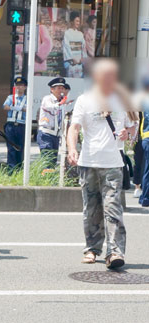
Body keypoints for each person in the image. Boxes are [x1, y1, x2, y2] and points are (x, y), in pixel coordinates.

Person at [67, 59, 137, 269]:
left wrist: (128, 134)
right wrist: (72, 148)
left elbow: (133, 128)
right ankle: (92, 249)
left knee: (113, 208)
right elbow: (74, 128)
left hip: (113, 164)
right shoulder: (84, 100)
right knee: (91, 208)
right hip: (88, 162)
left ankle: (115, 252)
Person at [37, 77, 70, 170]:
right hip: (46, 133)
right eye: (58, 88)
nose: (61, 90)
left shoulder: (62, 101)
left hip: (56, 135)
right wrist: (61, 103)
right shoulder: (47, 99)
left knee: (53, 161)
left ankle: (49, 180)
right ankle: (44, 180)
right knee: (47, 159)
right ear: (52, 89)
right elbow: (51, 107)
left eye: (62, 88)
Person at [3, 76, 27, 171]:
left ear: (25, 87)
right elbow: (5, 106)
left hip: (21, 125)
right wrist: (13, 107)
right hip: (11, 125)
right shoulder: (11, 97)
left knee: (20, 147)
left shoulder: (26, 98)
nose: (19, 87)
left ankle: (19, 168)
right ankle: (11, 168)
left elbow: (28, 109)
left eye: (21, 85)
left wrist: (20, 108)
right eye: (17, 85)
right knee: (11, 148)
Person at [63, 11, 87, 78]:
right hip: (71, 63)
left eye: (79, 21)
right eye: (76, 21)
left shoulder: (80, 34)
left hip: (79, 63)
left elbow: (84, 48)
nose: (78, 23)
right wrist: (72, 59)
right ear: (71, 21)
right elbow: (66, 48)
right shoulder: (67, 33)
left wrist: (83, 59)